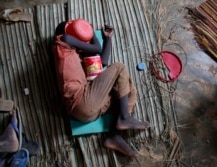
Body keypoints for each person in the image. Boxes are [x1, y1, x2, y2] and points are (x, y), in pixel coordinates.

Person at [53, 19, 150, 157]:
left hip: (87, 111)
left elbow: (102, 62)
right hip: (82, 101)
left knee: (127, 91)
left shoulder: (75, 54)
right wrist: (90, 32)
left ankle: (115, 136)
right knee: (119, 67)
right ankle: (124, 117)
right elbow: (97, 48)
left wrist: (108, 39)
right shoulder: (63, 39)